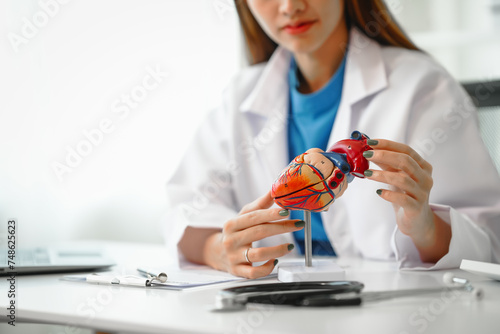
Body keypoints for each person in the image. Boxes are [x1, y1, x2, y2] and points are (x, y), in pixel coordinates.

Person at [163, 0, 500, 279]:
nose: (290, 6)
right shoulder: (239, 96)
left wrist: (424, 226)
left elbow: (487, 242)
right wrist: (219, 250)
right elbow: (183, 209)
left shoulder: (423, 86)